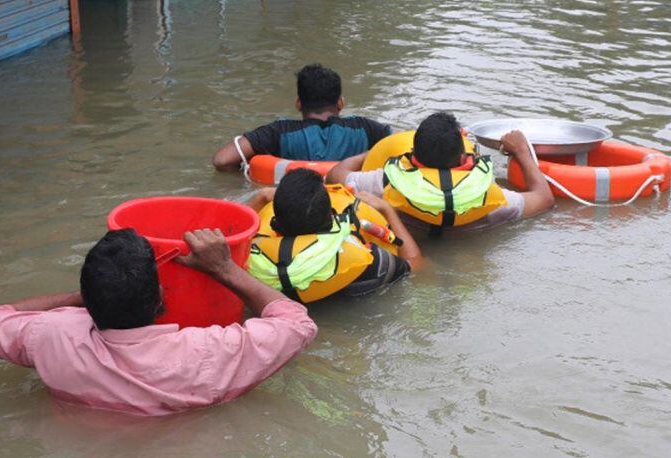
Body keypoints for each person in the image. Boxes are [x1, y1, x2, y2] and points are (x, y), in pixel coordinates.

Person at [0, 228, 317, 416]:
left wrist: (81, 299)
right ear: (161, 301)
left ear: (88, 302)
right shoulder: (204, 353)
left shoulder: (51, 336)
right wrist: (224, 268)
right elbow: (297, 324)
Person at [326, 111, 555, 236]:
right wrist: (522, 151)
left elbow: (335, 175)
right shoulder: (493, 198)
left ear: (412, 155)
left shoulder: (384, 182)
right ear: (463, 158)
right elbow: (544, 198)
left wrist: (375, 152)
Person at [245, 169, 422, 302]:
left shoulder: (250, 261)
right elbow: (417, 265)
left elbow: (229, 236)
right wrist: (388, 210)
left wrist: (260, 198)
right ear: (332, 217)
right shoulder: (370, 261)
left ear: (275, 229)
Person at [213, 64, 393, 170]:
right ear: (340, 103)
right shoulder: (365, 128)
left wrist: (253, 171)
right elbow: (405, 146)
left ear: (298, 103)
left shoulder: (279, 132)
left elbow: (222, 160)